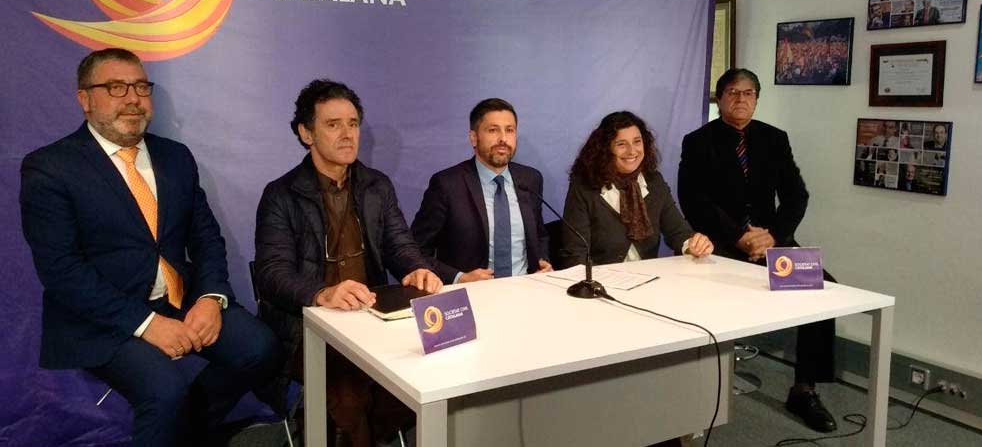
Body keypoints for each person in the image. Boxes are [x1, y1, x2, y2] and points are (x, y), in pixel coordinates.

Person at [20, 48, 281, 447]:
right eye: (115, 87)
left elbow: (206, 237)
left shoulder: (175, 157)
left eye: (142, 86)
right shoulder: (50, 167)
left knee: (259, 348)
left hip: (180, 298)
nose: (133, 98)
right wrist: (146, 324)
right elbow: (62, 272)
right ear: (84, 99)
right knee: (163, 388)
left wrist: (211, 298)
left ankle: (186, 433)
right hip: (103, 317)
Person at [254, 79, 443, 447]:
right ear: (306, 133)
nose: (347, 134)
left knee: (421, 376)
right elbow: (271, 273)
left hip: (372, 319)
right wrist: (322, 293)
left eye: (353, 124)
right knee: (349, 395)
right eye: (333, 124)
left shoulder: (376, 186)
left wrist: (417, 268)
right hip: (309, 328)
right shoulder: (281, 194)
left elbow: (400, 246)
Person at [678, 68, 838, 433]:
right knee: (706, 302)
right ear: (719, 99)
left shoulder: (774, 139)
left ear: (757, 99)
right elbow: (693, 201)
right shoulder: (697, 141)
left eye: (749, 93)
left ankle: (804, 390)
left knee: (824, 291)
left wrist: (774, 237)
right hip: (720, 244)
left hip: (773, 241)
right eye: (733, 92)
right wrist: (739, 236)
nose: (741, 99)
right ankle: (697, 391)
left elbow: (797, 195)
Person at [412, 98, 552, 283]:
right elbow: (416, 250)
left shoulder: (531, 179)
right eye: (493, 130)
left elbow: (539, 234)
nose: (503, 138)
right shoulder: (447, 184)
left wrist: (543, 260)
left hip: (527, 289)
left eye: (509, 130)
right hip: (470, 297)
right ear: (474, 137)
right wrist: (459, 278)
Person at [560, 111, 713, 267]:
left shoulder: (654, 182)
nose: (632, 151)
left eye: (637, 142)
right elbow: (575, 253)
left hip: (647, 280)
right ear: (605, 149)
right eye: (621, 144)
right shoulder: (584, 187)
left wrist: (694, 245)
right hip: (600, 283)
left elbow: (678, 232)